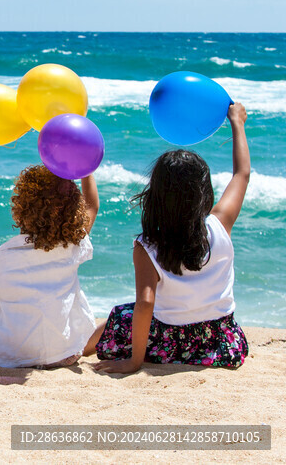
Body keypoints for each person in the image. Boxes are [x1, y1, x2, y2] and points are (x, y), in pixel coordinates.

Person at [88, 103, 250, 373]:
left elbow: (146, 303)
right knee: (127, 313)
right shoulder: (220, 224)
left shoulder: (147, 246)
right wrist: (237, 124)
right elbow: (241, 174)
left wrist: (135, 362)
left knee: (120, 316)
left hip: (170, 341)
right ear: (204, 193)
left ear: (156, 196)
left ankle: (78, 349)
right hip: (222, 342)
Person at [0, 167, 99, 368]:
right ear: (73, 210)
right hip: (65, 356)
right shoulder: (72, 246)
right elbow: (92, 208)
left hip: (11, 361)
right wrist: (86, 171)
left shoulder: (3, 259)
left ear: (22, 209)